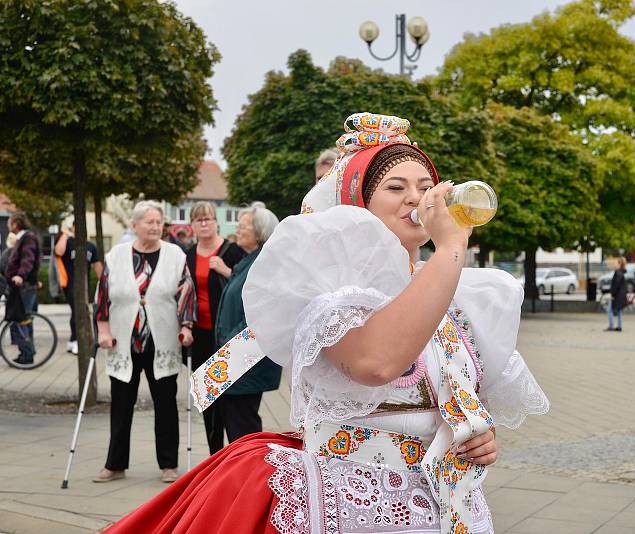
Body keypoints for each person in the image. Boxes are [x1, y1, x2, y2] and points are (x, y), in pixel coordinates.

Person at [106, 112, 549, 534]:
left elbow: (459, 396)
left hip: (445, 507)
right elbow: (376, 362)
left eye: (426, 185)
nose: (418, 198)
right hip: (354, 501)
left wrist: (478, 433)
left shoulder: (456, 294)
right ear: (356, 205)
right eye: (396, 187)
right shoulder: (333, 291)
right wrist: (452, 248)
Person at [93, 200, 196, 484]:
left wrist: (186, 327)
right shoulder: (116, 255)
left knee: (165, 405)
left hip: (162, 341)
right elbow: (102, 296)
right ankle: (115, 464)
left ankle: (168, 465)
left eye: (158, 222)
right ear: (134, 225)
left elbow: (186, 292)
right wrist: (103, 330)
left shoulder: (175, 254)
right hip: (123, 342)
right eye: (149, 222)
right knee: (121, 406)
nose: (155, 227)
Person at [212, 202, 281, 443]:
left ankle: (248, 477)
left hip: (243, 359)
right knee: (236, 423)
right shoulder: (251, 260)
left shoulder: (264, 264)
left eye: (243, 226)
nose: (237, 230)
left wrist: (227, 345)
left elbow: (258, 316)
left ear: (260, 233)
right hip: (235, 358)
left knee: (243, 428)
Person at [184, 201, 245, 454]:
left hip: (227, 336)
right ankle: (214, 454)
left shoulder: (232, 251)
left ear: (216, 221)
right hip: (200, 334)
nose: (204, 224)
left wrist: (225, 270)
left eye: (208, 218)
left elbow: (247, 285)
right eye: (199, 220)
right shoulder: (187, 255)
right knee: (206, 398)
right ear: (192, 226)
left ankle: (234, 454)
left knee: (230, 400)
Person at [54, 219, 104, 355]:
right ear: (74, 227)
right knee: (78, 310)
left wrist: (105, 284)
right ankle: (77, 341)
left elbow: (98, 267)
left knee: (78, 311)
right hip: (69, 283)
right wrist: (64, 234)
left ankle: (73, 341)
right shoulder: (69, 242)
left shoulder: (91, 246)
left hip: (84, 285)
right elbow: (58, 251)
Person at [4, 213, 41, 365]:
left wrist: (20, 275)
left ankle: (27, 353)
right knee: (24, 319)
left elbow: (28, 259)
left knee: (21, 319)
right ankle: (25, 353)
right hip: (23, 285)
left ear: (15, 224)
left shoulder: (28, 238)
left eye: (9, 223)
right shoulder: (23, 238)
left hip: (24, 286)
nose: (8, 226)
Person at [606, 257, 627, 332]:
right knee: (619, 311)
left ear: (619, 264)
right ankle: (619, 326)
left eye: (615, 263)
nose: (614, 265)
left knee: (609, 310)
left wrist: (612, 294)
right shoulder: (621, 272)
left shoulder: (618, 273)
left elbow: (616, 285)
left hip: (617, 295)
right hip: (620, 295)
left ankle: (612, 326)